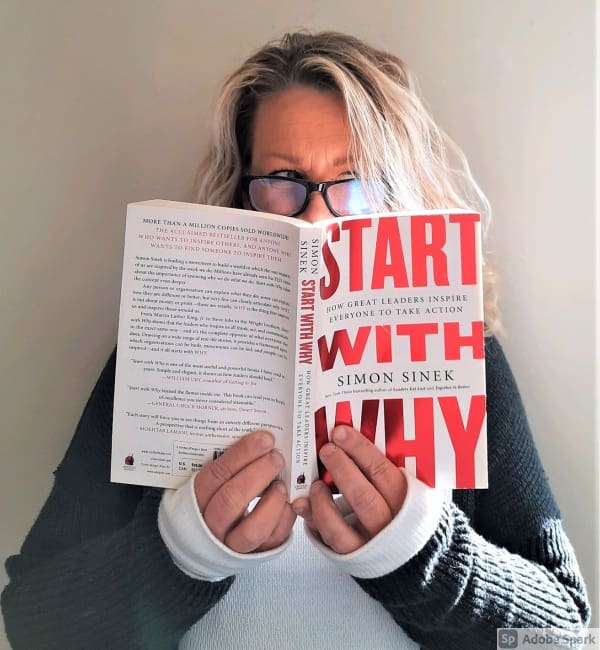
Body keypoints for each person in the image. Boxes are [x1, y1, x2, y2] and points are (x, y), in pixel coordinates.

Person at [1, 30, 590, 650]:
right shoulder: (159, 352)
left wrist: (421, 550)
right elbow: (34, 622)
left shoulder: (466, 355)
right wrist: (181, 551)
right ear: (241, 197)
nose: (315, 218)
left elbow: (566, 638)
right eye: (282, 180)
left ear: (398, 196)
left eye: (354, 182)